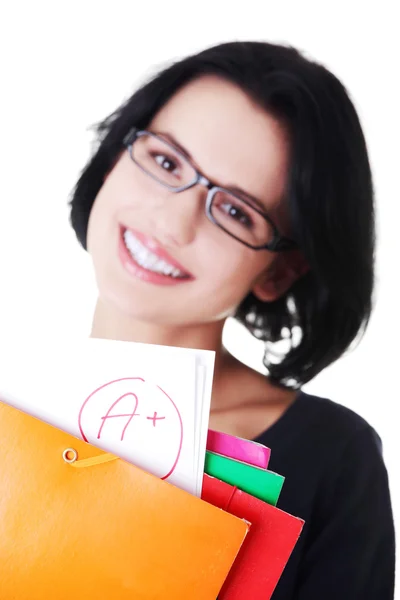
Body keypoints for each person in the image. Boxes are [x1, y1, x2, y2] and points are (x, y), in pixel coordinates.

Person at [69, 40, 395, 598]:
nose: (173, 222)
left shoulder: (334, 460)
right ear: (113, 161)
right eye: (166, 161)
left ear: (280, 272)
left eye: (236, 210)